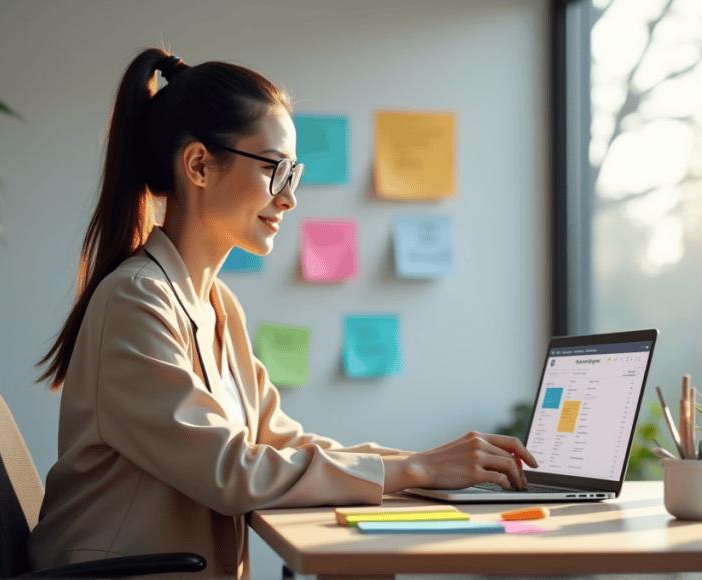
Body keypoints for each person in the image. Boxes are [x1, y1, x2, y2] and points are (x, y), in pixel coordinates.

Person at [30, 48, 538, 579]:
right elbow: (232, 471)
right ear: (199, 165)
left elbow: (279, 443)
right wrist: (415, 469)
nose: (290, 198)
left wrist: (428, 467)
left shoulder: (217, 305)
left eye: (293, 174)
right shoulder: (135, 300)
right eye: (274, 170)